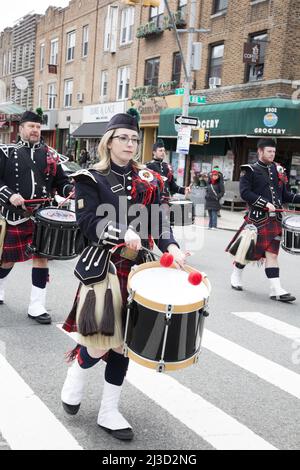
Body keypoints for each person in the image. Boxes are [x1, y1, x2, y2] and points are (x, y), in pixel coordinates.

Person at [60, 109, 187, 441]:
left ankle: (109, 410)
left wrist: (171, 249)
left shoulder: (151, 180)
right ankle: (77, 371)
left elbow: (160, 224)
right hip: (105, 268)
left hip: (139, 271)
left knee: (124, 346)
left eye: (134, 138)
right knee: (102, 343)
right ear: (109, 141)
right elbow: (86, 222)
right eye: (124, 138)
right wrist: (117, 231)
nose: (131, 143)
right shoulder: (90, 179)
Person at [0, 110, 73, 324]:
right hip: (15, 215)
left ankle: (36, 305)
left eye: (38, 127)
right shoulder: (6, 152)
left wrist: (70, 189)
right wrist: (9, 194)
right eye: (31, 126)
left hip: (43, 216)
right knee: (7, 260)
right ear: (20, 128)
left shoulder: (51, 154)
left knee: (41, 258)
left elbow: (62, 181)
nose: (35, 130)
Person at [226, 138, 300, 302]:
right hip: (257, 220)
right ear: (260, 151)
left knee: (272, 255)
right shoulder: (249, 170)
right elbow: (245, 193)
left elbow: (285, 195)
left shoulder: (278, 169)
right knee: (248, 251)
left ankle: (276, 289)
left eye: (274, 151)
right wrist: (264, 203)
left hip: (275, 221)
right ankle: (236, 274)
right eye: (269, 151)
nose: (272, 154)